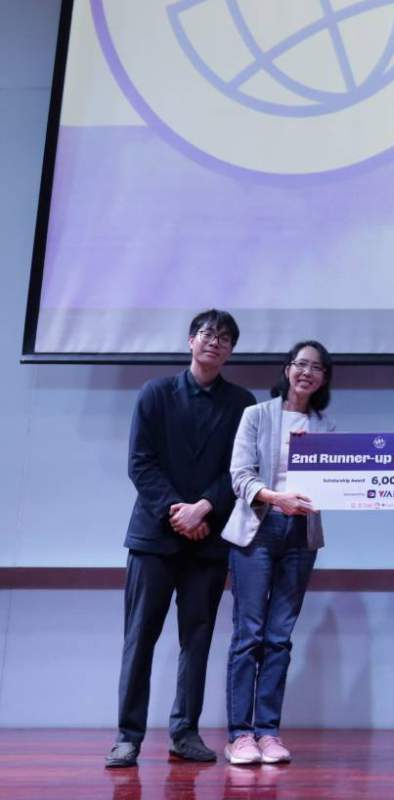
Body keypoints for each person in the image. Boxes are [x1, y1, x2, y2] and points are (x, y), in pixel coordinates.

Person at [105, 310, 255, 769]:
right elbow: (140, 462)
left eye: (225, 338)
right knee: (140, 638)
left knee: (197, 639)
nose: (215, 342)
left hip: (207, 540)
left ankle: (185, 733)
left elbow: (239, 470)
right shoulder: (155, 393)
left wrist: (203, 507)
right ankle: (128, 736)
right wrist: (177, 511)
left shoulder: (242, 403)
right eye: (208, 333)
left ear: (231, 350)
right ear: (191, 340)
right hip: (154, 537)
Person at [222, 339, 337, 765]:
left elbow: (338, 483)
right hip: (259, 529)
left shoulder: (327, 428)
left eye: (316, 367)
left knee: (279, 638)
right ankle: (240, 735)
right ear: (287, 369)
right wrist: (276, 498)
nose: (307, 372)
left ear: (324, 379)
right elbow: (240, 475)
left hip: (301, 536)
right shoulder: (256, 415)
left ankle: (268, 732)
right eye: (301, 364)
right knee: (249, 634)